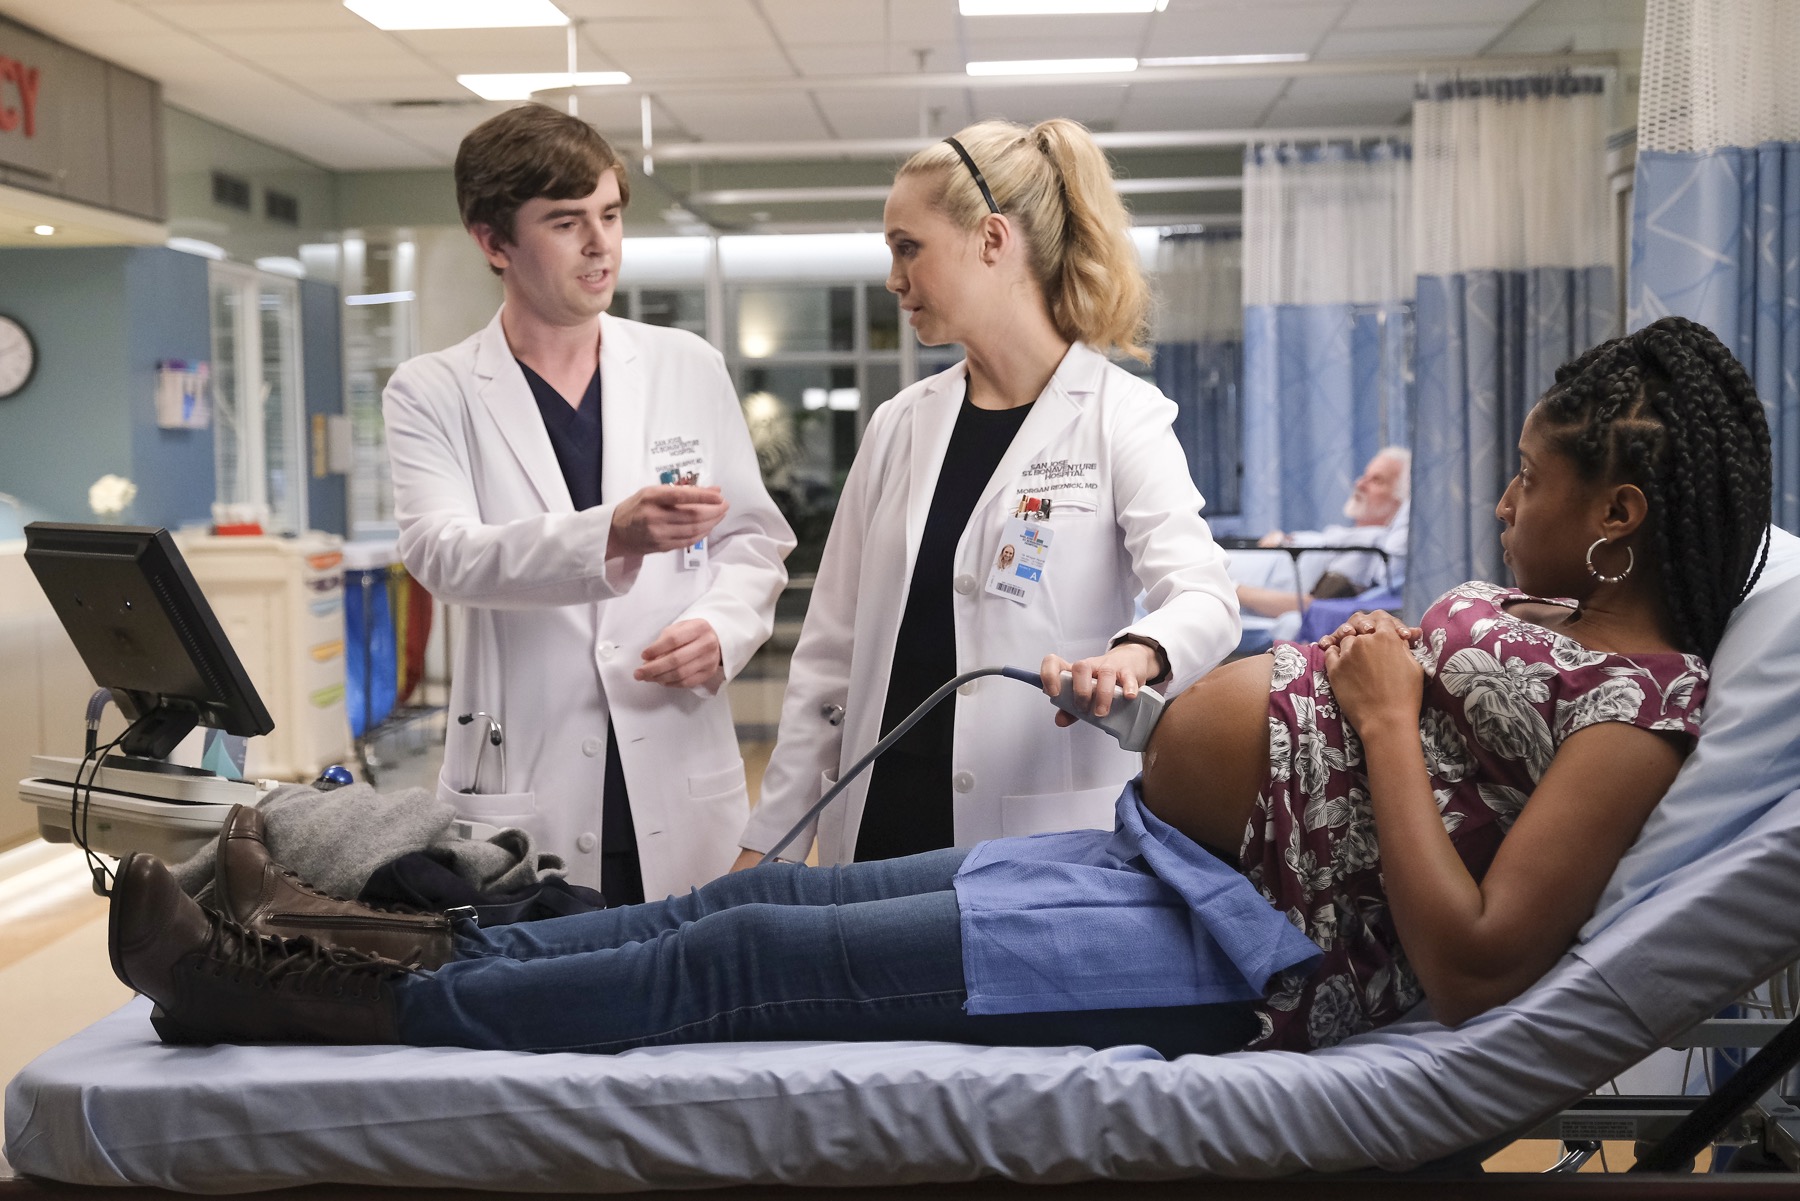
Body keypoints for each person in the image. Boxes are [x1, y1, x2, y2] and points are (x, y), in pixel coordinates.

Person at [107, 318, 1771, 1060]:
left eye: (1535, 480)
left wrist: (1388, 712)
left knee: (736, 965)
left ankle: (292, 1002)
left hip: (1229, 948)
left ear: (1620, 514)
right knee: (734, 904)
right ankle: (320, 945)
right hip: (1149, 859)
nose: (1506, 502)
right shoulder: (1545, 616)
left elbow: (1475, 964)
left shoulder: (1637, 715)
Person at [734, 119, 1241, 869]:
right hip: (875, 832)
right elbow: (829, 653)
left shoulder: (1118, 417)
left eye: (909, 247)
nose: (893, 278)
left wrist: (1138, 652)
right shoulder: (899, 425)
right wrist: (769, 842)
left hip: (1035, 845)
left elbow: (1206, 596)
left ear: (992, 239)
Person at [382, 104, 793, 902]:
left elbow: (751, 539)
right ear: (492, 241)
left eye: (609, 214)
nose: (601, 244)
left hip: (676, 757)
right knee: (544, 973)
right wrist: (613, 532)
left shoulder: (687, 365)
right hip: (525, 777)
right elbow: (441, 553)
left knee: (693, 966)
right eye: (567, 222)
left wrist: (723, 629)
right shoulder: (433, 390)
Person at [1234, 447, 1411, 620]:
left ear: (1400, 499)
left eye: (1377, 480)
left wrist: (1232, 589)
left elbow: (1315, 607)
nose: (1360, 484)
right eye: (1364, 476)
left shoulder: (1368, 544)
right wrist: (1283, 541)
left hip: (1231, 585)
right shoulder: (1346, 536)